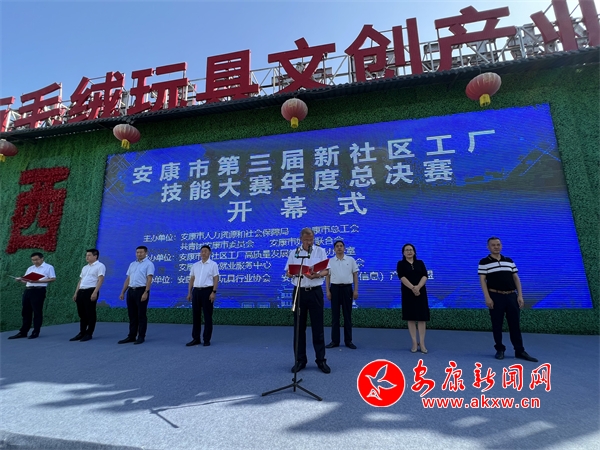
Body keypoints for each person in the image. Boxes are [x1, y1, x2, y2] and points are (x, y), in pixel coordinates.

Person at [479, 237, 538, 362]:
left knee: (515, 324)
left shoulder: (509, 261)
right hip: (495, 296)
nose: (496, 247)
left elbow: (516, 278)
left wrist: (520, 295)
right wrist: (487, 297)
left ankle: (519, 350)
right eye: (493, 245)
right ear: (488, 247)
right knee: (497, 324)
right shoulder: (484, 262)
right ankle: (500, 349)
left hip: (511, 296)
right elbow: (483, 281)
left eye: (498, 244)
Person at [285, 227, 331, 374]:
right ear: (301, 239)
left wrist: (317, 275)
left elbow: (327, 270)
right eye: (306, 240)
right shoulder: (294, 252)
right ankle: (300, 360)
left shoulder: (320, 251)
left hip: (315, 291)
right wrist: (290, 273)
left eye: (311, 240)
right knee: (299, 328)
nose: (309, 242)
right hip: (299, 292)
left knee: (318, 327)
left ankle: (321, 360)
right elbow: (288, 272)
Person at [8, 252, 56, 340]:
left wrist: (38, 281)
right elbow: (26, 280)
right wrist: (20, 280)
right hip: (28, 290)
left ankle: (35, 332)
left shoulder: (48, 267)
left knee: (37, 311)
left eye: (37, 259)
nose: (35, 262)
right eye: (33, 260)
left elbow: (52, 278)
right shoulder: (30, 268)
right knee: (25, 311)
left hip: (38, 290)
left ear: (42, 258)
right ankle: (23, 332)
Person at [396, 243, 430, 354]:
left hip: (421, 293)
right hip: (408, 293)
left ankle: (422, 343)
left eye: (411, 250)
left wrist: (418, 287)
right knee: (410, 318)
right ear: (403, 253)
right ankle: (414, 343)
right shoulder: (401, 264)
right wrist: (412, 288)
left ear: (414, 252)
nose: (409, 251)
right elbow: (402, 277)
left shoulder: (420, 263)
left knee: (421, 318)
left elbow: (425, 275)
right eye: (407, 250)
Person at [325, 240, 359, 349]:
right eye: (337, 246)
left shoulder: (351, 260)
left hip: (347, 289)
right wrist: (328, 291)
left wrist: (355, 290)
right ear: (334, 249)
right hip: (334, 289)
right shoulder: (330, 261)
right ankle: (335, 341)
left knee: (347, 316)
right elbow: (327, 277)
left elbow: (355, 276)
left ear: (344, 248)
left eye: (341, 246)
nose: (339, 248)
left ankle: (348, 341)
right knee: (335, 316)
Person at [118, 246, 154, 345]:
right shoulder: (132, 264)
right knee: (132, 315)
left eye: (141, 252)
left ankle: (141, 336)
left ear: (146, 253)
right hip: (131, 291)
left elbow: (149, 279)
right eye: (137, 252)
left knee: (141, 315)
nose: (139, 254)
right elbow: (128, 279)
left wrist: (146, 292)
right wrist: (123, 292)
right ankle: (131, 336)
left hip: (141, 290)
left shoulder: (149, 264)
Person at [186, 245, 219, 347]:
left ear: (209, 253)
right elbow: (192, 279)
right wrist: (189, 292)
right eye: (202, 251)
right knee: (196, 316)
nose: (203, 253)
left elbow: (216, 278)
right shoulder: (195, 265)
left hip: (207, 291)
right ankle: (196, 338)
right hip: (196, 291)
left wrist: (213, 292)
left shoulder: (213, 264)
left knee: (207, 316)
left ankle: (206, 339)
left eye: (205, 251)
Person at [70, 248, 106, 342]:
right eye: (86, 255)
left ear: (95, 256)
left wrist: (95, 292)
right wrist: (76, 292)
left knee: (90, 313)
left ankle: (89, 333)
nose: (87, 257)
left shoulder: (100, 266)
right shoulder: (85, 267)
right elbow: (80, 280)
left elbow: (101, 280)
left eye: (89, 255)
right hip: (81, 291)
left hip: (91, 291)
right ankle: (82, 332)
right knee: (81, 313)